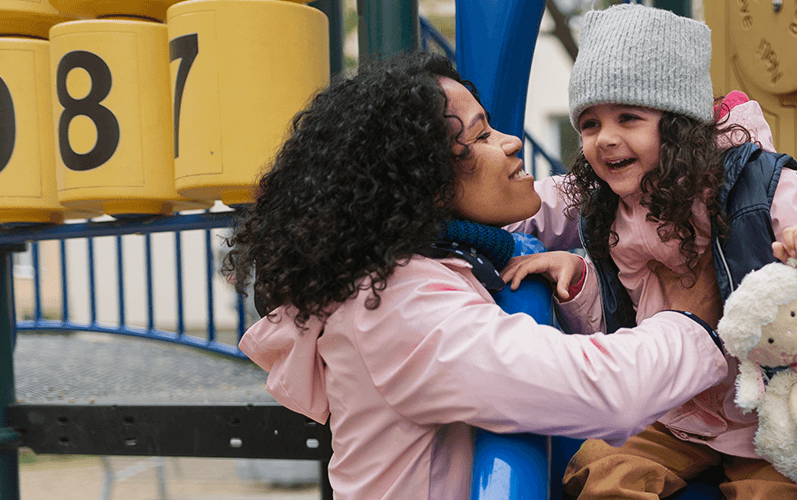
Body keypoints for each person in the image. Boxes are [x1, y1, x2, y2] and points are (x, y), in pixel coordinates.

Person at [223, 52, 731, 500]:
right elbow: (602, 390)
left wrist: (653, 184)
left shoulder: (441, 250)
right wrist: (695, 317)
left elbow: (558, 203)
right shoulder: (400, 311)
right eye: (481, 135)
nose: (510, 142)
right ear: (422, 179)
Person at [500, 5, 797, 499]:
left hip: (770, 412)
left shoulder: (759, 187)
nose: (606, 139)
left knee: (771, 494)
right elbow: (612, 305)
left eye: (629, 117)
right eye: (591, 124)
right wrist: (576, 279)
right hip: (675, 409)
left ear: (680, 124)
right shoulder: (610, 199)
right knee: (602, 471)